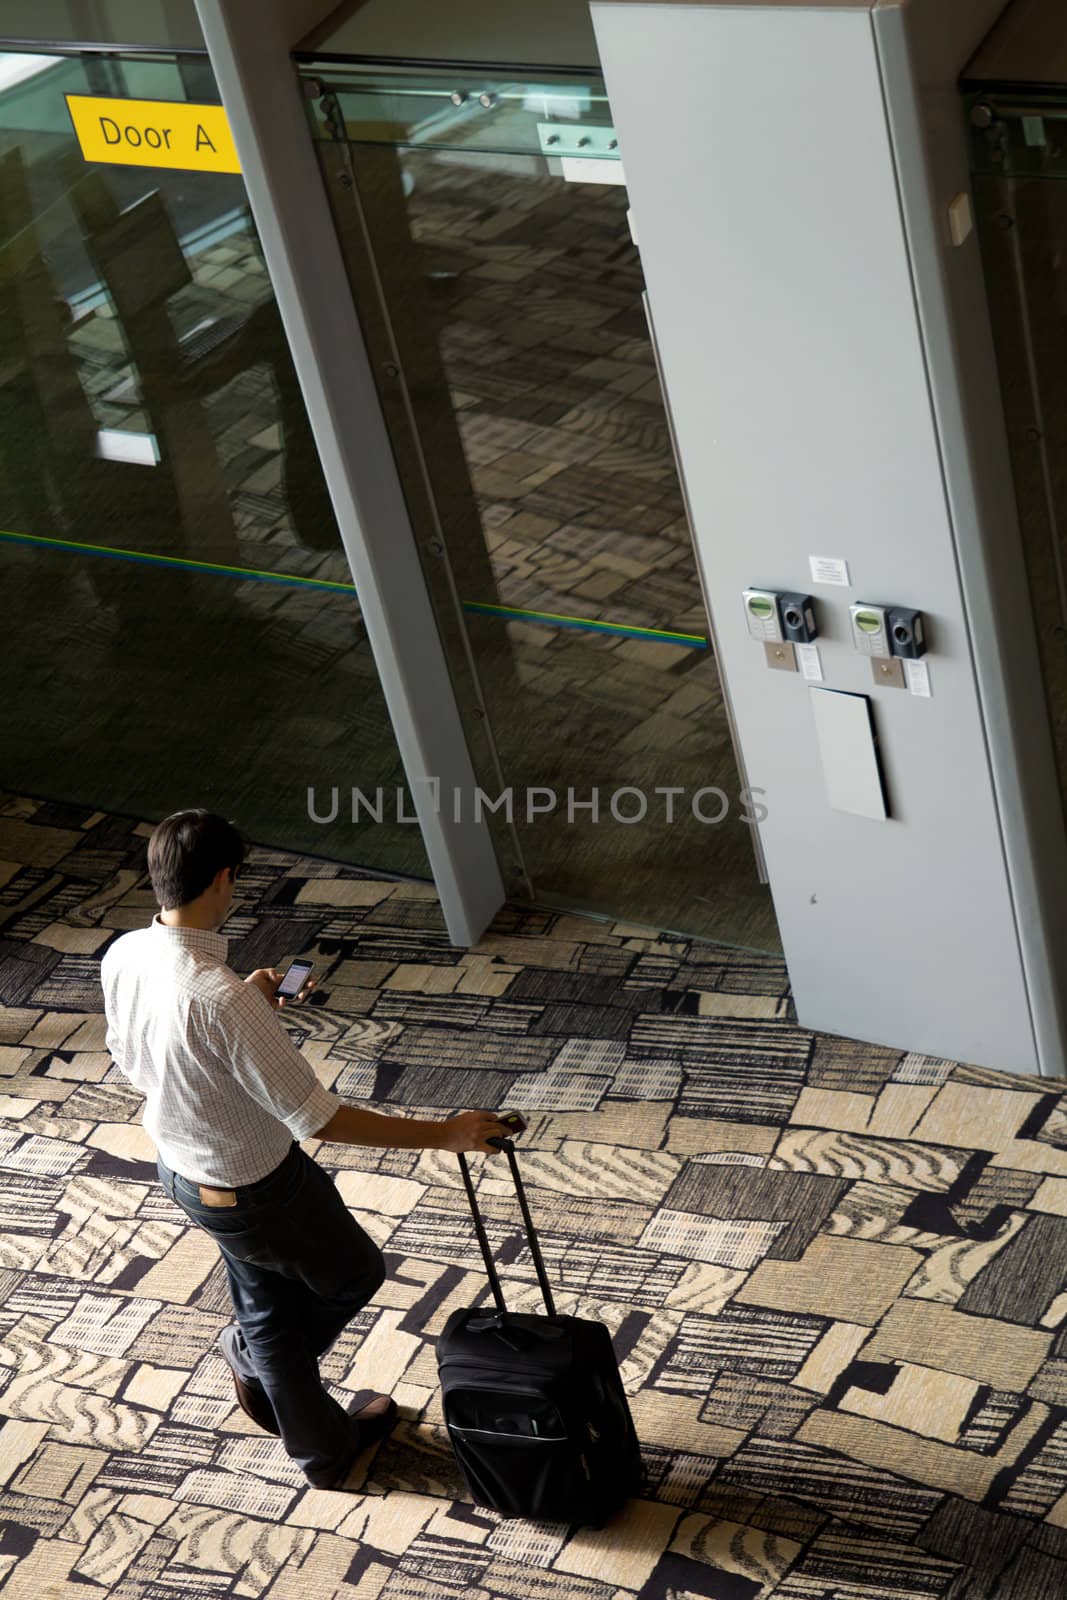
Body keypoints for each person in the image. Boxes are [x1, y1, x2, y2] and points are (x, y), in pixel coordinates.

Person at [100, 809, 510, 1490]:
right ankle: (285, 1397)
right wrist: (447, 1133)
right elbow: (315, 1118)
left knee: (266, 1306)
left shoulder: (128, 955)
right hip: (257, 1187)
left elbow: (136, 1053)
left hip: (180, 1169)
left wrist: (252, 1005)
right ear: (224, 878)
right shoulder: (219, 998)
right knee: (351, 1275)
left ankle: (315, 1436)